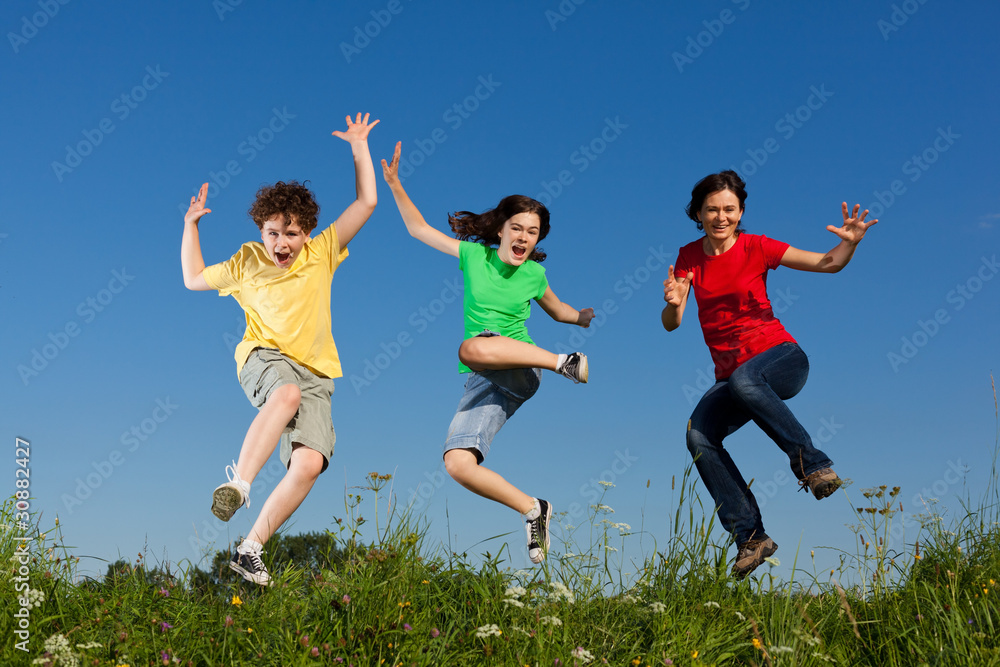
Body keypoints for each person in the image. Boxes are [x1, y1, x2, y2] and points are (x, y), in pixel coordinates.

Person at [180, 113, 379, 585]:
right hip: (263, 359)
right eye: (273, 232)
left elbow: (368, 201)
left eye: (291, 234)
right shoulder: (247, 260)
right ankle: (239, 483)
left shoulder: (323, 251)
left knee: (310, 463)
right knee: (285, 393)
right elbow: (192, 279)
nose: (281, 243)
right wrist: (192, 226)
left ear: (307, 232)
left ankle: (251, 548)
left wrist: (358, 147)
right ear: (260, 230)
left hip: (318, 373)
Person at [381, 142, 594, 564]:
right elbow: (418, 229)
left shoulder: (534, 274)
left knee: (472, 345)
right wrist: (394, 185)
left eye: (532, 233)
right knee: (457, 462)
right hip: (484, 376)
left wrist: (581, 317)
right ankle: (534, 509)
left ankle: (560, 364)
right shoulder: (473, 255)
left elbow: (558, 310)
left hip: (522, 366)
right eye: (517, 228)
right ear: (501, 229)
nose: (524, 238)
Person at [661, 170, 877, 579]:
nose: (721, 217)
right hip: (733, 377)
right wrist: (674, 302)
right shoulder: (689, 256)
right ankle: (751, 537)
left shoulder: (757, 246)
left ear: (741, 212)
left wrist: (848, 244)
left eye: (729, 209)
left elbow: (827, 263)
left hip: (781, 359)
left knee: (745, 380)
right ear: (698, 213)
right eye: (712, 210)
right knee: (699, 434)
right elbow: (672, 322)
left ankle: (813, 466)